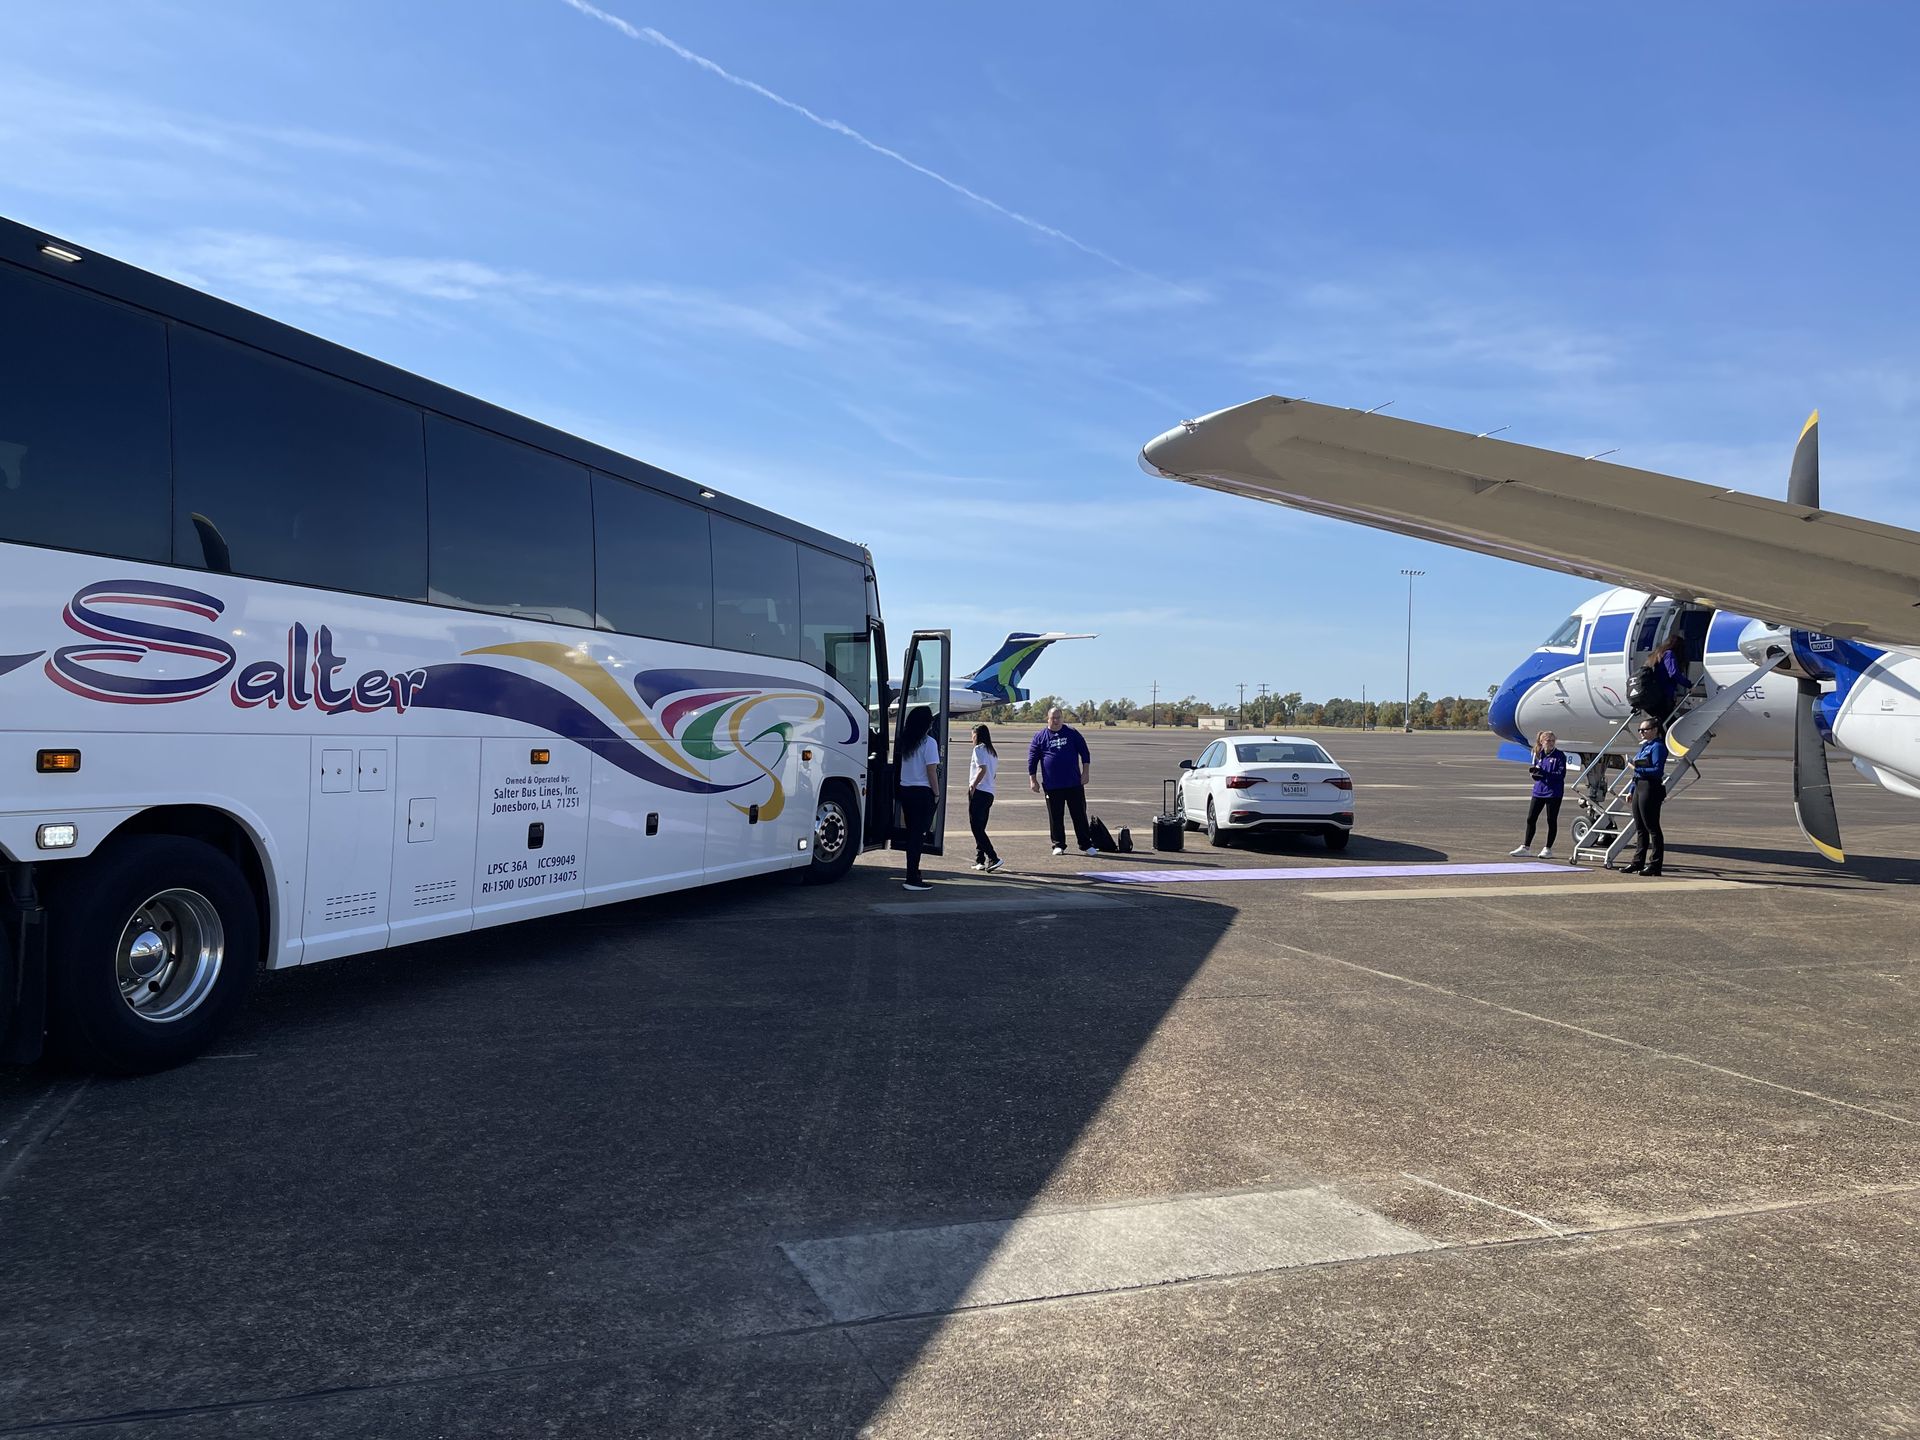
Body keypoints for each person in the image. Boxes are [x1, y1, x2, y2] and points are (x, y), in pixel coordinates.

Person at [1028, 706, 1095, 855]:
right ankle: (1059, 844)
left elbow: (1085, 753)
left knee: (1079, 814)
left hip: (1073, 783)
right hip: (1052, 785)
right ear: (1048, 719)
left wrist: (1086, 773)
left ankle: (1085, 844)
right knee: (1056, 816)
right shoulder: (1040, 736)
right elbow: (1032, 759)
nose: (1056, 720)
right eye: (1053, 718)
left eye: (1058, 717)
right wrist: (1033, 779)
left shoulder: (1072, 733)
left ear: (1063, 719)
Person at [896, 705, 940, 891]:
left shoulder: (905, 741)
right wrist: (936, 793)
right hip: (922, 793)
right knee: (918, 836)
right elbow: (931, 771)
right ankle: (912, 877)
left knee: (912, 834)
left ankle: (913, 872)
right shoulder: (929, 743)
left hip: (905, 790)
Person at [1509, 729, 1567, 859]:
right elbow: (1537, 773)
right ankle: (1526, 847)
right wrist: (1535, 774)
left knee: (1551, 820)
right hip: (1539, 791)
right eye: (1548, 740)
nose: (1551, 743)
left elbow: (1560, 775)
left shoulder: (1559, 755)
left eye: (1552, 740)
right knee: (1531, 818)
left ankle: (1548, 848)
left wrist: (1544, 774)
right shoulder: (1538, 754)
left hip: (1554, 793)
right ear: (1542, 742)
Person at [1622, 717, 1668, 876]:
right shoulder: (1645, 746)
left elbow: (1657, 770)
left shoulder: (1658, 747)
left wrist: (1636, 767)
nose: (1641, 732)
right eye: (1640, 730)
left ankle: (1655, 864)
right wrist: (1631, 789)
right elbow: (1637, 770)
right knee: (1640, 827)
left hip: (1650, 787)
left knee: (1652, 827)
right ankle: (1637, 862)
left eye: (1644, 730)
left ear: (1654, 730)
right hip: (1639, 786)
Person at [967, 723, 1003, 872]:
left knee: (976, 828)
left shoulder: (979, 749)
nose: (971, 739)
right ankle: (980, 860)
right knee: (980, 827)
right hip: (990, 792)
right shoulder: (992, 752)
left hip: (980, 791)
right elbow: (992, 774)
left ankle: (993, 857)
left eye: (972, 735)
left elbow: (982, 769)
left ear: (977, 736)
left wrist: (973, 786)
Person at [1641, 636, 1690, 722]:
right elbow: (1674, 673)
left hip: (1653, 696)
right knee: (1669, 723)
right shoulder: (1669, 654)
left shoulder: (1656, 655)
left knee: (1663, 722)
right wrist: (1689, 685)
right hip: (1663, 696)